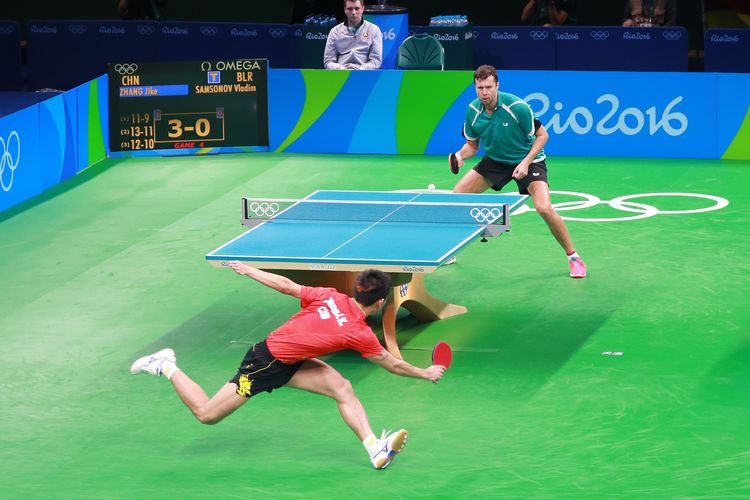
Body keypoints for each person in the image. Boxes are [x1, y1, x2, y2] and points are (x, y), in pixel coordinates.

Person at [130, 262, 446, 469]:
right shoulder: (358, 332)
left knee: (342, 388)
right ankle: (166, 365)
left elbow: (286, 285)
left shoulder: (329, 295)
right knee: (207, 414)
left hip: (291, 360)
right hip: (263, 365)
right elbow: (391, 364)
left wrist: (249, 269)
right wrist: (425, 372)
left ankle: (374, 447)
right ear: (379, 302)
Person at [449, 65, 587, 279]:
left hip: (529, 161)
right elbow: (472, 146)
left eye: (488, 87)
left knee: (543, 207)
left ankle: (574, 258)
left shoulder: (517, 107)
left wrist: (525, 163)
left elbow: (543, 136)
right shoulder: (473, 111)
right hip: (495, 160)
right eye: (479, 88)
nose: (484, 93)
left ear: (497, 86)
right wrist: (459, 156)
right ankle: (455, 248)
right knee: (455, 200)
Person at [324, 0, 383, 70]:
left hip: (365, 73)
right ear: (345, 10)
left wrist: (362, 69)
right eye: (350, 9)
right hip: (341, 74)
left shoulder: (374, 30)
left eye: (357, 8)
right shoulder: (335, 32)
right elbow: (328, 62)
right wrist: (341, 69)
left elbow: (376, 61)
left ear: (363, 9)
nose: (354, 12)